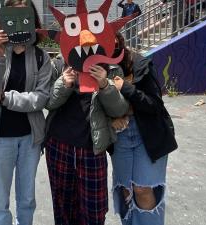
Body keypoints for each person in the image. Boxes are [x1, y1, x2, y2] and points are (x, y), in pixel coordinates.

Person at [0, 1, 52, 224]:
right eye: (13, 13)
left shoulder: (40, 56)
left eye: (24, 14)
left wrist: (7, 98)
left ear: (33, 21)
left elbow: (41, 98)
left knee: (27, 199)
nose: (18, 20)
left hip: (30, 138)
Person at [45, 49, 129, 225]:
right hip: (59, 145)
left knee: (94, 210)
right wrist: (64, 83)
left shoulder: (111, 67)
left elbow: (119, 110)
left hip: (93, 147)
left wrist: (105, 84)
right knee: (63, 206)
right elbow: (50, 102)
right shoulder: (60, 63)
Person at [109, 32, 177, 225]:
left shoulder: (139, 63)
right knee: (126, 189)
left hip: (147, 133)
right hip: (120, 137)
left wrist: (125, 87)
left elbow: (154, 104)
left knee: (142, 189)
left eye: (111, 39)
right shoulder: (97, 67)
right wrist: (109, 122)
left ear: (119, 39)